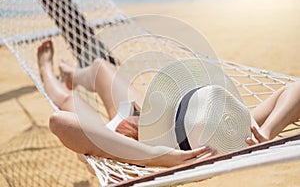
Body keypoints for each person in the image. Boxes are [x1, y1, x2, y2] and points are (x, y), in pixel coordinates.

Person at [38, 40, 300, 167]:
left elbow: (59, 122)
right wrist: (267, 133)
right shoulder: (231, 129)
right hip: (157, 117)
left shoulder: (144, 156)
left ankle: (47, 73)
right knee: (101, 68)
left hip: (123, 137)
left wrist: (161, 157)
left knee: (67, 100)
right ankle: (74, 74)